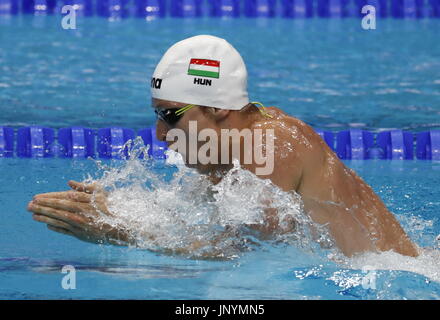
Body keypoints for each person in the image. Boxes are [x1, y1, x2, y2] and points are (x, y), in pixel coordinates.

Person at [27, 35, 419, 258]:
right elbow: (208, 225)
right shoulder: (236, 147)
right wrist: (122, 208)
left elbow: (247, 254)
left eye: (170, 116)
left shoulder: (272, 145)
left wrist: (120, 231)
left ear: (216, 107)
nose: (161, 135)